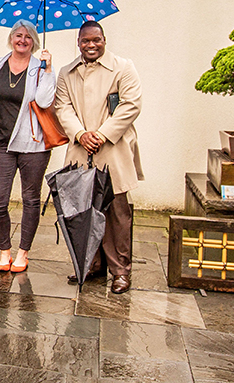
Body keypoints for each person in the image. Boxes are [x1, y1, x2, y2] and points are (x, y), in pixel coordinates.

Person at [55, 20, 143, 294]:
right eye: (85, 41)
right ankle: (91, 264)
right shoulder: (67, 73)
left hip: (112, 150)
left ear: (104, 40)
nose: (91, 45)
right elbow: (62, 107)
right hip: (81, 150)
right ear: (78, 43)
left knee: (117, 214)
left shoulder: (123, 67)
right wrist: (81, 134)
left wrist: (102, 134)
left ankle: (120, 271)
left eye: (96, 40)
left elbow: (131, 105)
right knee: (84, 211)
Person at [0, 20, 55, 274]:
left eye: (28, 37)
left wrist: (47, 70)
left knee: (30, 199)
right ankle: (5, 250)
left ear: (34, 41)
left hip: (33, 145)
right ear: (11, 38)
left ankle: (23, 252)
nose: (22, 40)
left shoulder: (41, 67)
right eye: (18, 35)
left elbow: (45, 101)